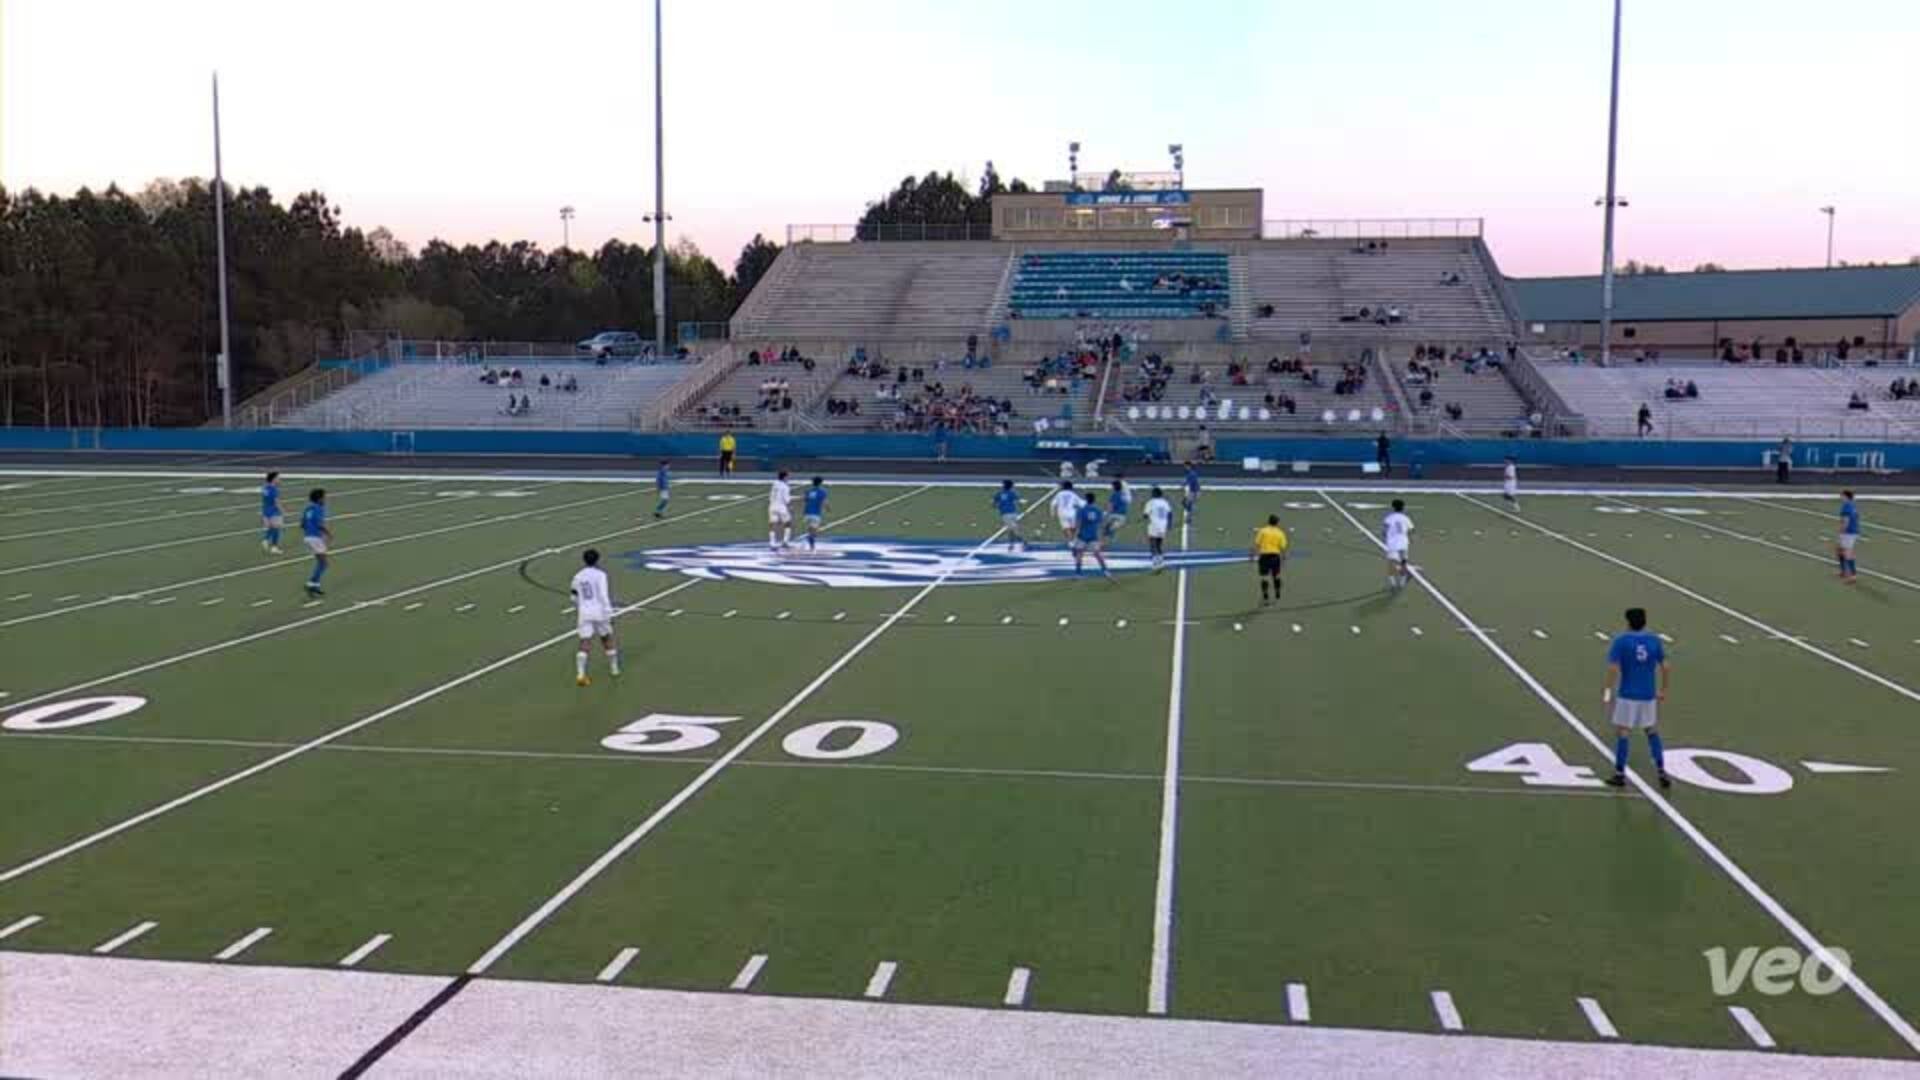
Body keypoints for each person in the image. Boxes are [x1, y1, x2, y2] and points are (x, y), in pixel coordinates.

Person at [1604, 607, 1671, 789]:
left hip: (1628, 694)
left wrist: (1608, 690)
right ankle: (1661, 770)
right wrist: (1663, 689)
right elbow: (1665, 666)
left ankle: (1619, 774)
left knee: (1623, 733)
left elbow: (1613, 668)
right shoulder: (1654, 640)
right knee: (1651, 731)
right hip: (1648, 694)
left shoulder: (1621, 641)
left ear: (1628, 622)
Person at [571, 548, 620, 687]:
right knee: (606, 638)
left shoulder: (577, 576)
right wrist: (609, 612)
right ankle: (614, 668)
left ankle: (580, 674)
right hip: (599, 611)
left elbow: (573, 596)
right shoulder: (600, 575)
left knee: (584, 641)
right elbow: (604, 595)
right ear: (597, 560)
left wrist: (580, 606)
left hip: (584, 612)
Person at [1251, 514, 1289, 605]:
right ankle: (1277, 592)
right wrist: (1283, 557)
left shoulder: (1263, 531)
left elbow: (1257, 544)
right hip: (1275, 556)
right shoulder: (1280, 533)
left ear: (1268, 521)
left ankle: (1266, 597)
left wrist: (1252, 554)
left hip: (1264, 556)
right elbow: (1283, 547)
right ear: (1277, 523)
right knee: (1276, 575)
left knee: (1264, 577)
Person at [1072, 495, 1112, 579]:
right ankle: (1105, 571)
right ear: (1094, 500)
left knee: (1079, 554)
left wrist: (1075, 537)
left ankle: (1078, 573)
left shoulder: (1082, 510)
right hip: (1093, 535)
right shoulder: (1098, 510)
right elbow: (1101, 524)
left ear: (1086, 500)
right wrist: (1102, 539)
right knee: (1097, 554)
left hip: (1082, 535)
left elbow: (1078, 524)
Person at [301, 488, 331, 598]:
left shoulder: (308, 508)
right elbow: (320, 524)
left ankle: (315, 586)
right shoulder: (319, 508)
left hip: (308, 537)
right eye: (324, 497)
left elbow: (302, 524)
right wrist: (328, 534)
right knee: (323, 563)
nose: (325, 499)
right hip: (315, 538)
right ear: (319, 499)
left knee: (321, 562)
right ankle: (310, 584)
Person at [1382, 499, 1414, 591]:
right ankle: (1402, 581)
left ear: (1393, 507)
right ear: (1403, 508)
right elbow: (1411, 529)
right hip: (1403, 541)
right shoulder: (1405, 518)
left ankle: (1392, 582)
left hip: (1392, 542)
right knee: (1403, 561)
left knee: (1391, 562)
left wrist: (1386, 537)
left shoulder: (1389, 517)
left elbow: (1384, 530)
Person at [1144, 486, 1174, 571]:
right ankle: (1161, 561)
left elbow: (1145, 515)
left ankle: (1155, 563)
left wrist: (1146, 516)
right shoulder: (1165, 502)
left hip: (1154, 525)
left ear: (1154, 494)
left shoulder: (1150, 502)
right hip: (1163, 525)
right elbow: (1170, 513)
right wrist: (1169, 524)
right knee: (1159, 544)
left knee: (1152, 544)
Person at [994, 480, 1026, 551]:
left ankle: (1023, 542)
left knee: (1013, 529)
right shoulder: (1012, 493)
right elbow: (1018, 500)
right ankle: (1012, 544)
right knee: (1011, 530)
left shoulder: (999, 493)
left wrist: (998, 506)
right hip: (1013, 513)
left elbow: (995, 503)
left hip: (1005, 514)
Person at [1837, 489, 1861, 584]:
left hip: (1848, 532)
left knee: (1847, 552)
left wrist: (1842, 532)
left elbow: (1846, 520)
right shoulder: (1852, 505)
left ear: (1846, 496)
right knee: (1839, 550)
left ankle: (1852, 575)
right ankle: (1844, 571)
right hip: (1853, 531)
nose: (1840, 497)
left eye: (1842, 496)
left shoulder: (1846, 506)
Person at [768, 470, 793, 551]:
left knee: (772, 524)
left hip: (772, 506)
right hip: (781, 507)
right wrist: (790, 507)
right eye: (788, 476)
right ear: (785, 477)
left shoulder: (774, 483)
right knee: (788, 523)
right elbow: (786, 500)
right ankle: (785, 541)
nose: (788, 478)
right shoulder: (785, 486)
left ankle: (772, 543)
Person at [802, 477, 829, 552]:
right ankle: (812, 545)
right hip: (816, 513)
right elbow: (824, 502)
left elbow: (805, 500)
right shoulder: (823, 492)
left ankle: (810, 540)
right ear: (820, 483)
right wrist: (827, 509)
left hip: (807, 513)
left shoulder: (808, 491)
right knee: (814, 531)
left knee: (810, 529)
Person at [260, 471, 284, 555]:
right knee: (277, 529)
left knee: (271, 528)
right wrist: (282, 510)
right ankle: (274, 547)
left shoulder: (265, 487)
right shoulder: (273, 489)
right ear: (273, 479)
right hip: (274, 511)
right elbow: (276, 501)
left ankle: (265, 540)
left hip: (266, 510)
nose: (279, 479)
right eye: (278, 478)